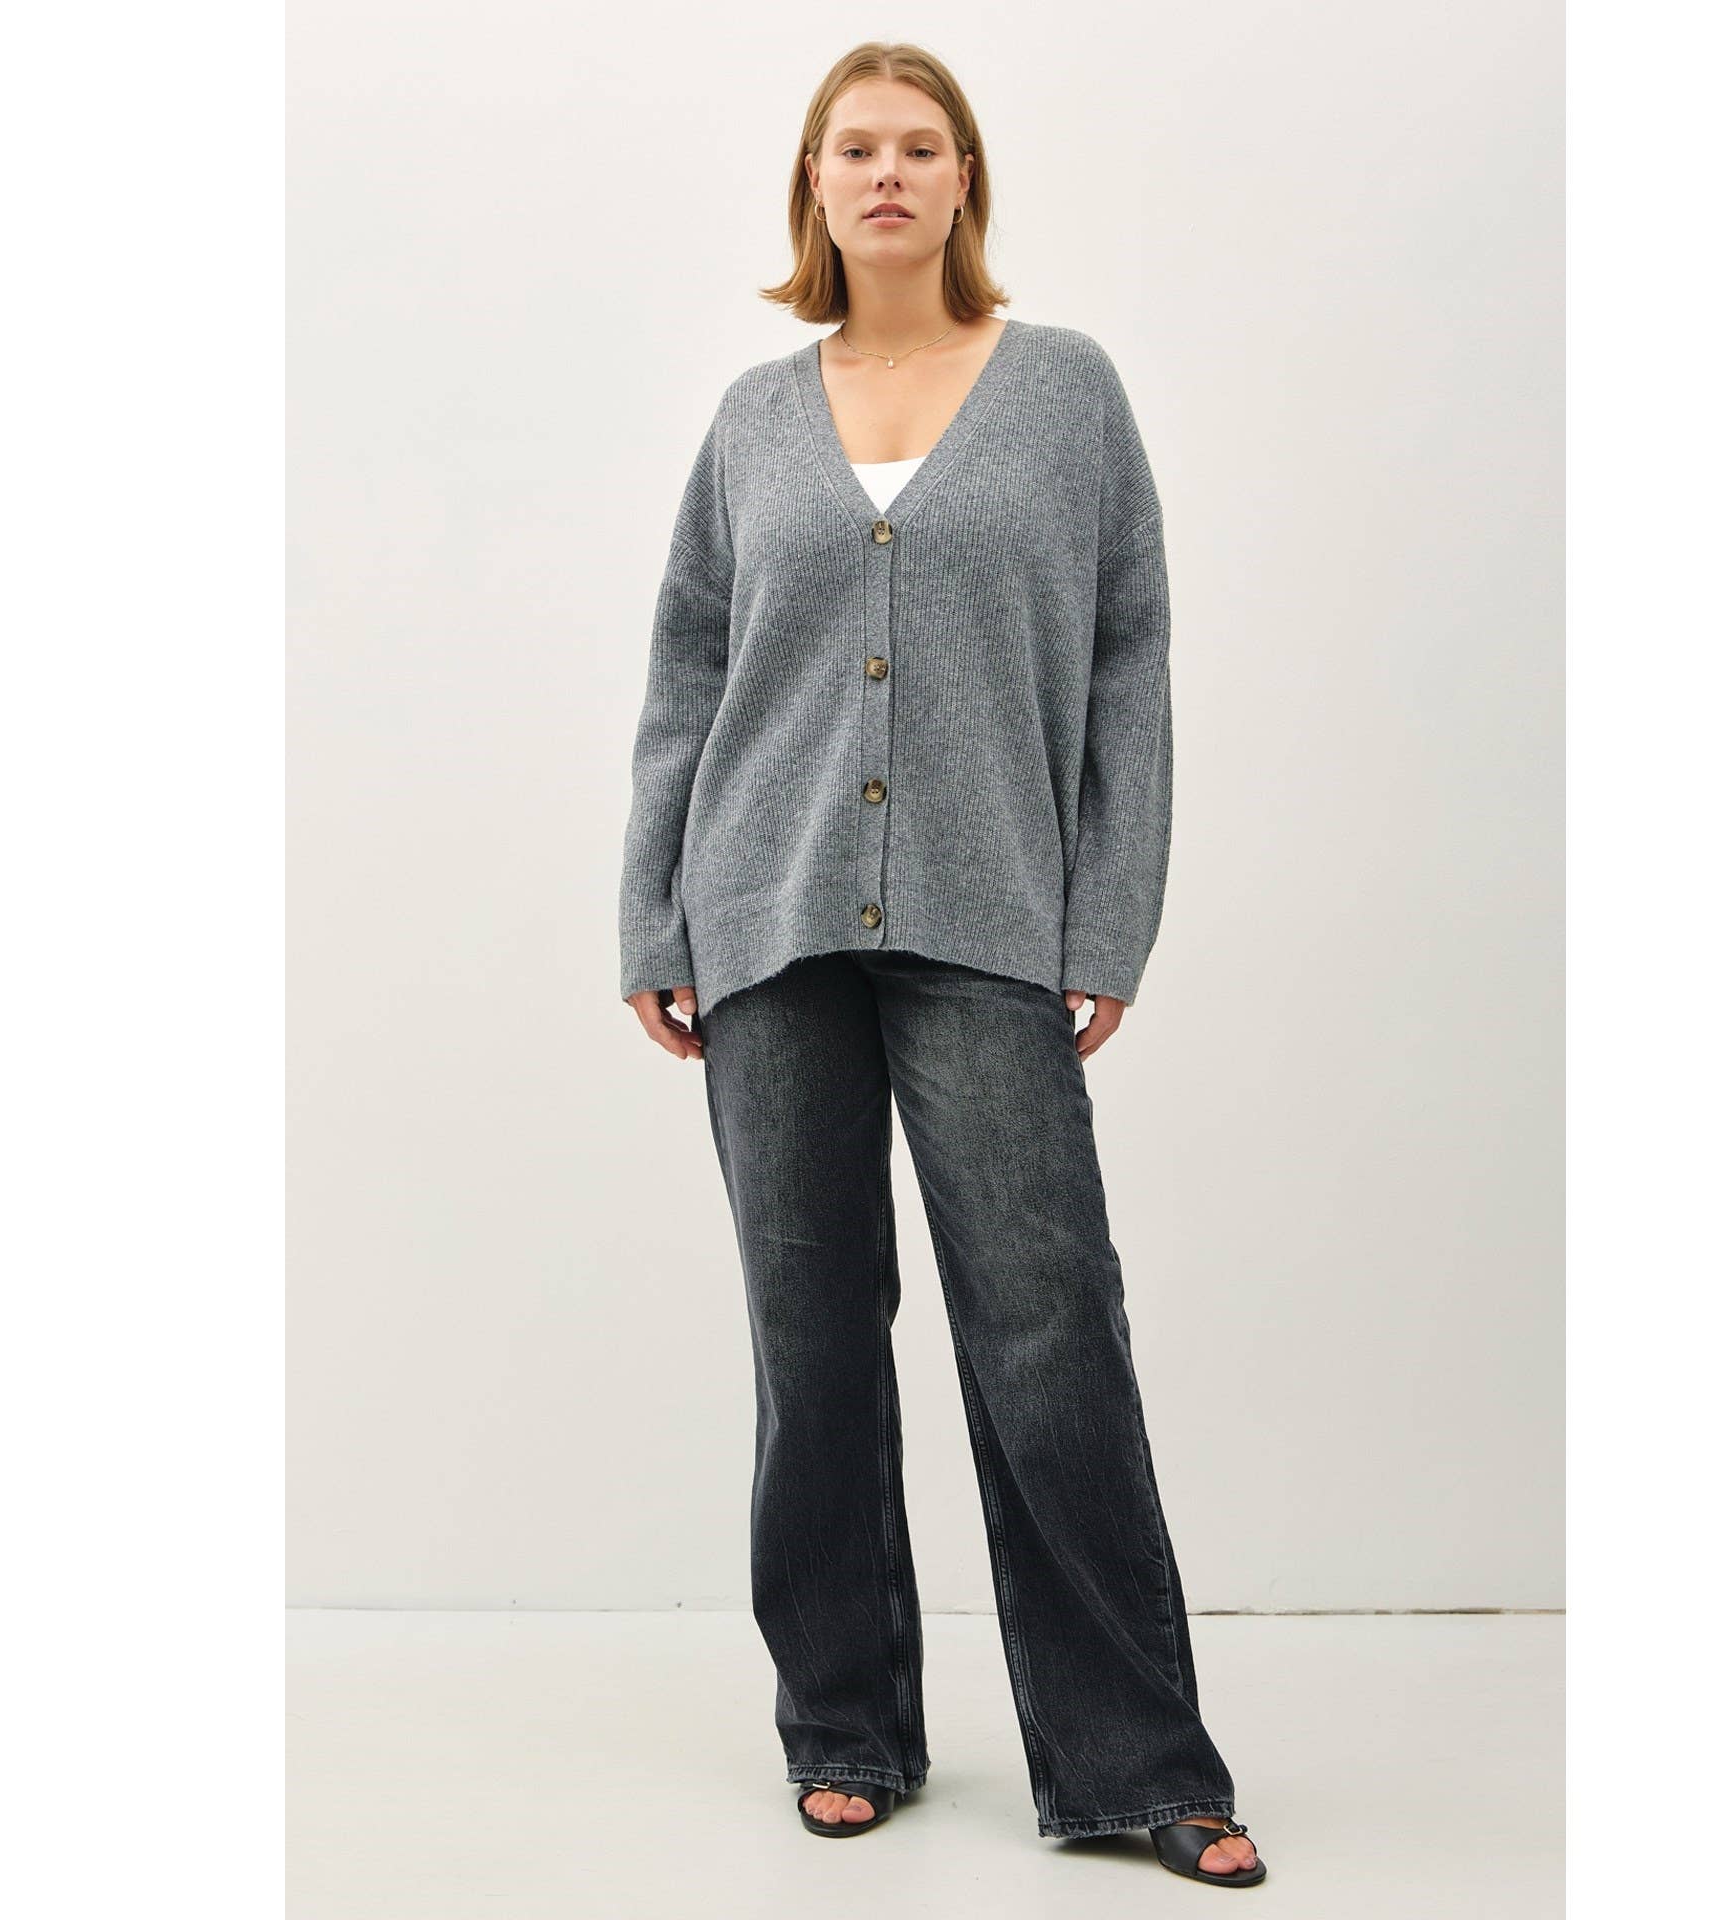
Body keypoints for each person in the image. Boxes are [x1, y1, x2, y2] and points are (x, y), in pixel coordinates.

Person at [617, 41, 1268, 1891]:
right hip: (766, 919)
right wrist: (652, 913)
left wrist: (1106, 913)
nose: (888, 172)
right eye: (857, 148)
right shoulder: (754, 419)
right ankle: (843, 1726)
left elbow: (1131, 657)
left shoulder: (1064, 393)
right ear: (814, 186)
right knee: (812, 1338)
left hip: (990, 923)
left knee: (1050, 1335)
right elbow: (685, 676)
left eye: (921, 145)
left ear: (965, 177)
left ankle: (1138, 1765)